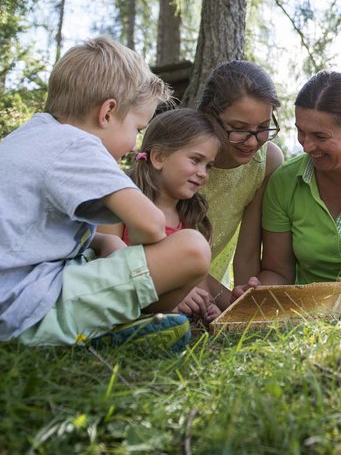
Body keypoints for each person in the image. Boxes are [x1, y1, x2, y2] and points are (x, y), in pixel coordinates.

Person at [0, 36, 212, 349]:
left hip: (15, 295)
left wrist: (104, 241)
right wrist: (140, 256)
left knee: (102, 247)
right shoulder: (78, 145)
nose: (135, 145)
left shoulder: (32, 136)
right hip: (24, 311)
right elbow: (152, 224)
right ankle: (110, 330)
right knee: (192, 249)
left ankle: (121, 323)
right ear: (107, 112)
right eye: (137, 129)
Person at [253, 71, 341, 294]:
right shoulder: (285, 181)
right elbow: (278, 272)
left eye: (320, 137)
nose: (306, 146)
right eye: (301, 132)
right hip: (307, 309)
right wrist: (258, 292)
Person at [98, 108, 230, 323]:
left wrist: (205, 306)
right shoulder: (122, 203)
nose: (203, 173)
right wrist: (172, 300)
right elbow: (105, 268)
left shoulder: (191, 218)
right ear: (159, 157)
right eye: (195, 160)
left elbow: (191, 284)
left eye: (209, 166)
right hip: (118, 303)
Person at [197, 60, 284, 285]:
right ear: (209, 115)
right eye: (238, 128)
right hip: (164, 278)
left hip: (214, 285)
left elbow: (247, 253)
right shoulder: (183, 152)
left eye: (263, 127)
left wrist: (241, 298)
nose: (252, 141)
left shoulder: (266, 162)